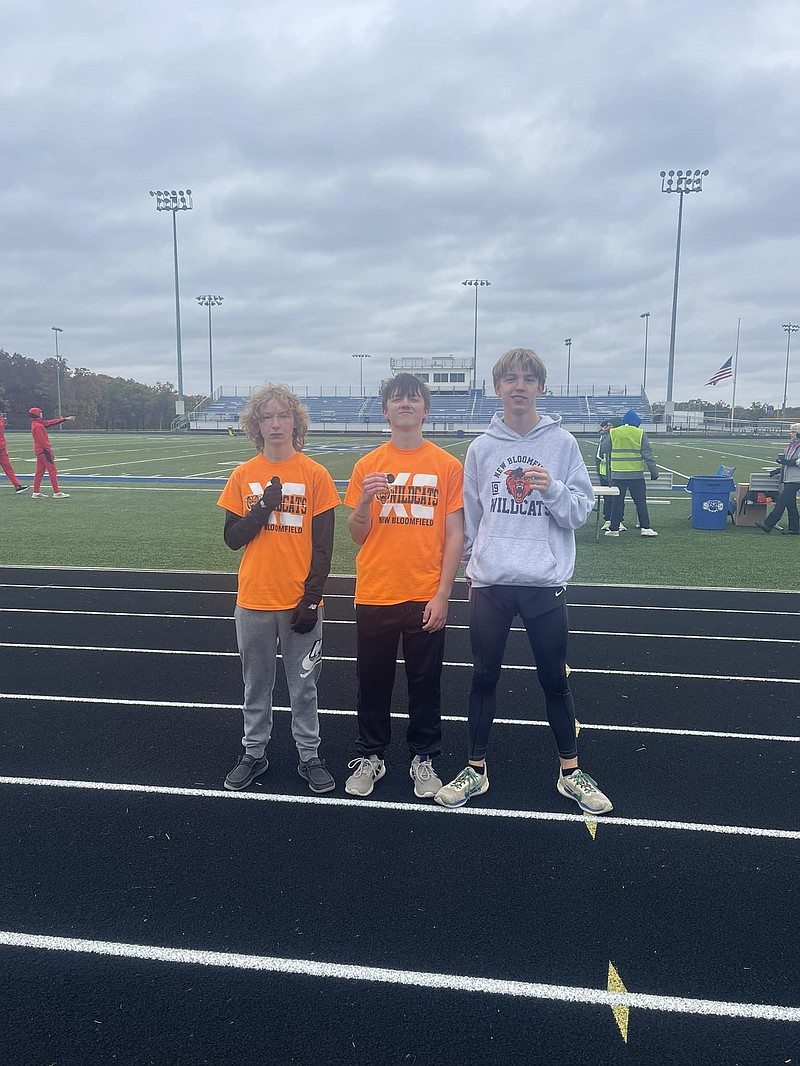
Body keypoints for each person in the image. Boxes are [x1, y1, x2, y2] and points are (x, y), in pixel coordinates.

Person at [435, 347, 613, 814]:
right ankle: (475, 769)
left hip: (543, 583)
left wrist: (550, 487)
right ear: (497, 388)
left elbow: (578, 511)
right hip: (492, 584)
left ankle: (570, 773)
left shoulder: (563, 444)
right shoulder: (481, 448)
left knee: (554, 679)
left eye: (528, 379)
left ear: (540, 387)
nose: (519, 386)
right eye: (510, 378)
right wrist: (478, 565)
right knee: (483, 678)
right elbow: (471, 519)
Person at [343, 372, 464, 799]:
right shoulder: (367, 466)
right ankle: (372, 755)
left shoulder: (447, 466)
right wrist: (362, 503)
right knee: (372, 681)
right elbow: (357, 534)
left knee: (425, 683)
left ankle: (423, 758)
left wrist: (444, 593)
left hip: (424, 591)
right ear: (385, 410)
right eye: (398, 399)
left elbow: (456, 534)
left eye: (413, 399)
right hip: (376, 589)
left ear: (426, 410)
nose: (406, 405)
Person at [217, 384, 340, 794]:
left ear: (295, 422)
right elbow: (233, 538)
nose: (275, 424)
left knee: (304, 685)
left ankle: (310, 756)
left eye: (282, 416)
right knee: (256, 684)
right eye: (266, 417)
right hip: (253, 601)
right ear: (256, 425)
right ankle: (254, 752)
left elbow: (324, 547)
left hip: (300, 602)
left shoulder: (315, 474)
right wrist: (264, 506)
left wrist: (311, 597)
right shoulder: (242, 475)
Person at [601, 409, 659, 537]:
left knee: (617, 502)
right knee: (640, 502)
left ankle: (614, 529)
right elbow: (647, 454)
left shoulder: (614, 432)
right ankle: (645, 527)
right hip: (636, 474)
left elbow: (604, 449)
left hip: (617, 474)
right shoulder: (640, 433)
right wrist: (654, 472)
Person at [756, 423, 800, 536]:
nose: (791, 434)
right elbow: (787, 460)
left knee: (782, 500)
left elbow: (796, 462)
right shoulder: (791, 445)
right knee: (790, 504)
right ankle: (794, 528)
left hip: (796, 479)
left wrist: (789, 462)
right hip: (789, 477)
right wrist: (779, 468)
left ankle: (768, 524)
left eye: (793, 432)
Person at [29, 407, 75, 498]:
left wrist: (64, 419)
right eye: (40, 412)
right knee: (52, 470)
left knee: (39, 472)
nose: (42, 414)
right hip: (44, 451)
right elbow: (42, 441)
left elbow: (50, 422)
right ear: (37, 414)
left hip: (39, 451)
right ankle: (56, 492)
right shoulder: (38, 426)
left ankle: (36, 492)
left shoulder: (37, 423)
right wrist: (49, 451)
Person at [595, 418, 623, 530]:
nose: (608, 427)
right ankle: (608, 519)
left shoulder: (619, 437)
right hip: (605, 473)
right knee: (607, 498)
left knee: (618, 499)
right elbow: (600, 454)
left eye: (610, 425)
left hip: (616, 472)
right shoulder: (605, 437)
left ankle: (618, 520)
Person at [0, 412, 28, 492]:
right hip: (2, 447)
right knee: (8, 468)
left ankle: (17, 485)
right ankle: (17, 485)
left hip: (2, 448)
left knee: (8, 468)